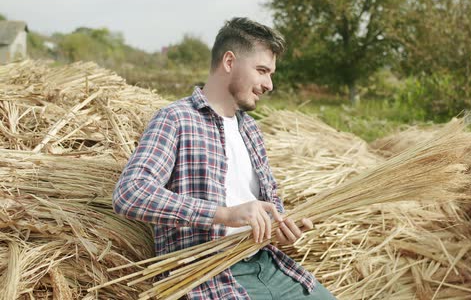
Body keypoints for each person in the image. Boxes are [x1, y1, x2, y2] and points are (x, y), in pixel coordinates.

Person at [112, 17, 336, 299]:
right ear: (229, 62)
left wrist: (280, 229)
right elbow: (130, 193)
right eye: (262, 70)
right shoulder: (176, 119)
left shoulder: (251, 129)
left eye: (271, 74)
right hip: (210, 274)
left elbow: (269, 203)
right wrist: (225, 215)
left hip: (266, 263)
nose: (269, 84)